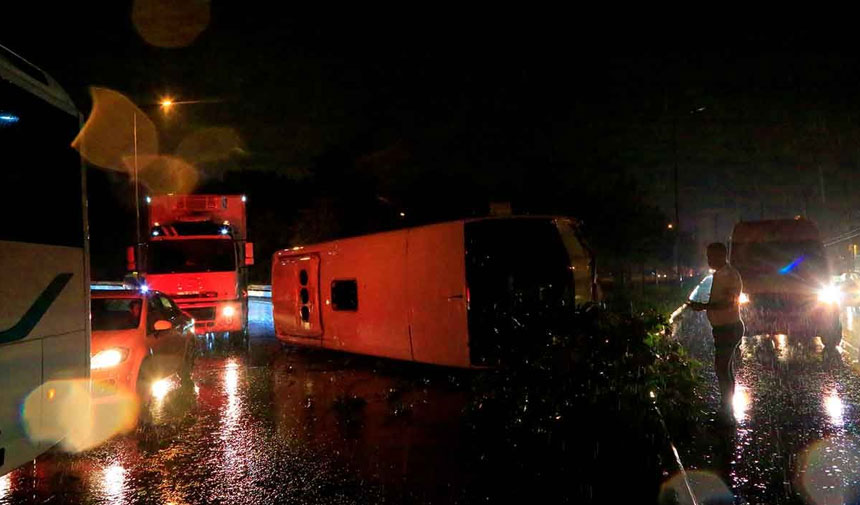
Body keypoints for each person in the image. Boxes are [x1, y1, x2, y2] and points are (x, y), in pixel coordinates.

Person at [688, 242, 744, 422]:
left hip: (729, 327)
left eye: (711, 256)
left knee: (722, 368)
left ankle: (726, 411)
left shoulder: (729, 275)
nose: (708, 259)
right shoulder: (720, 275)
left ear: (722, 255)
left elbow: (729, 302)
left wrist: (703, 306)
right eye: (708, 256)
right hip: (724, 328)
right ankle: (726, 408)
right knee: (725, 368)